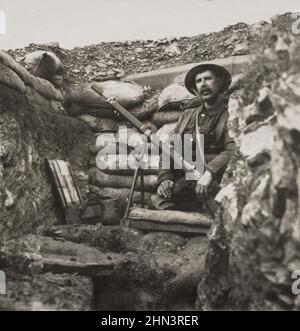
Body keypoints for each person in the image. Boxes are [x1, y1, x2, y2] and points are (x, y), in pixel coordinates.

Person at [151, 63, 236, 217]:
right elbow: (171, 149)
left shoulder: (230, 114)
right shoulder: (188, 115)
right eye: (199, 81)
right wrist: (165, 178)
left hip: (215, 183)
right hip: (186, 182)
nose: (203, 84)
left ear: (220, 82)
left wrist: (209, 174)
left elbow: (232, 150)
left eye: (208, 79)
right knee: (162, 203)